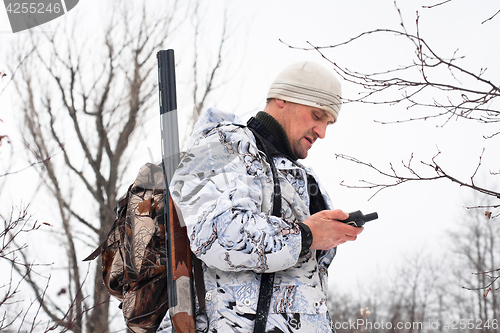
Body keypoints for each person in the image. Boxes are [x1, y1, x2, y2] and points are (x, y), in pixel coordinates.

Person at [158, 61, 364, 332]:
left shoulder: (304, 177)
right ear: (282, 99)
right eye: (316, 115)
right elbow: (214, 233)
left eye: (327, 123)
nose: (322, 133)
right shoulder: (223, 144)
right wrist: (306, 235)